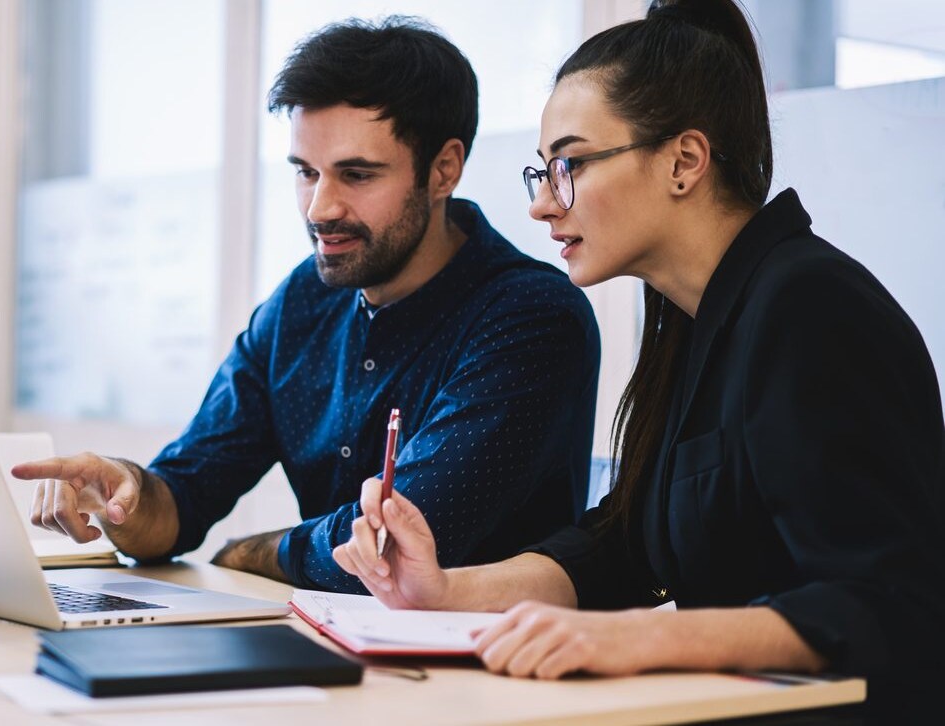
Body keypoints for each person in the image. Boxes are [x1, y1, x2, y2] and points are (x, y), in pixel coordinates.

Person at [333, 0, 945, 716]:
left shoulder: (809, 306)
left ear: (683, 162)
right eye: (542, 173)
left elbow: (887, 604)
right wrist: (441, 590)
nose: (541, 205)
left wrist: (642, 638)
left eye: (568, 165)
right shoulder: (691, 320)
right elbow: (623, 547)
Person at [12, 17, 600, 593]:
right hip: (326, 640)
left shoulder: (530, 317)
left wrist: (249, 553)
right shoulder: (304, 300)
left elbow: (392, 546)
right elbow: (182, 499)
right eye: (305, 172)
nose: (320, 208)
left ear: (443, 170)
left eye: (356, 175)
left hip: (486, 650)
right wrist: (126, 493)